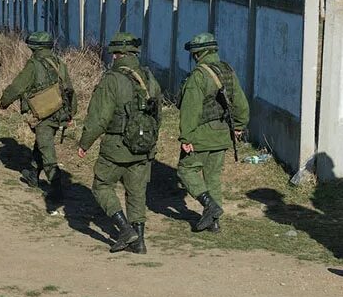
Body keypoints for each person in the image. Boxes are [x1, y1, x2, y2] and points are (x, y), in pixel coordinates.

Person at [77, 32, 162, 254]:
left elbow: (98, 118)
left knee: (101, 185)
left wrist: (85, 143)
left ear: (116, 55)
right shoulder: (149, 78)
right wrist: (150, 142)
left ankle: (124, 229)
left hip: (116, 147)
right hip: (143, 147)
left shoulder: (112, 80)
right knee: (136, 192)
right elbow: (157, 115)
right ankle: (140, 242)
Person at [177, 32, 250, 233]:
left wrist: (186, 137)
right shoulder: (228, 71)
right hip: (222, 134)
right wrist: (238, 127)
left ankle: (209, 205)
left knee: (186, 170)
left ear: (197, 54)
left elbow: (190, 109)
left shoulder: (198, 76)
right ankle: (214, 222)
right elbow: (241, 104)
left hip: (200, 134)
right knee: (213, 177)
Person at [0, 31, 76, 207]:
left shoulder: (33, 65)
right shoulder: (59, 63)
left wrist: (4, 101)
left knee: (46, 149)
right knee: (41, 144)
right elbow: (69, 88)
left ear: (34, 47)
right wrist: (71, 113)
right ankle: (33, 174)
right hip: (60, 113)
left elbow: (18, 86)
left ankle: (56, 191)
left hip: (43, 114)